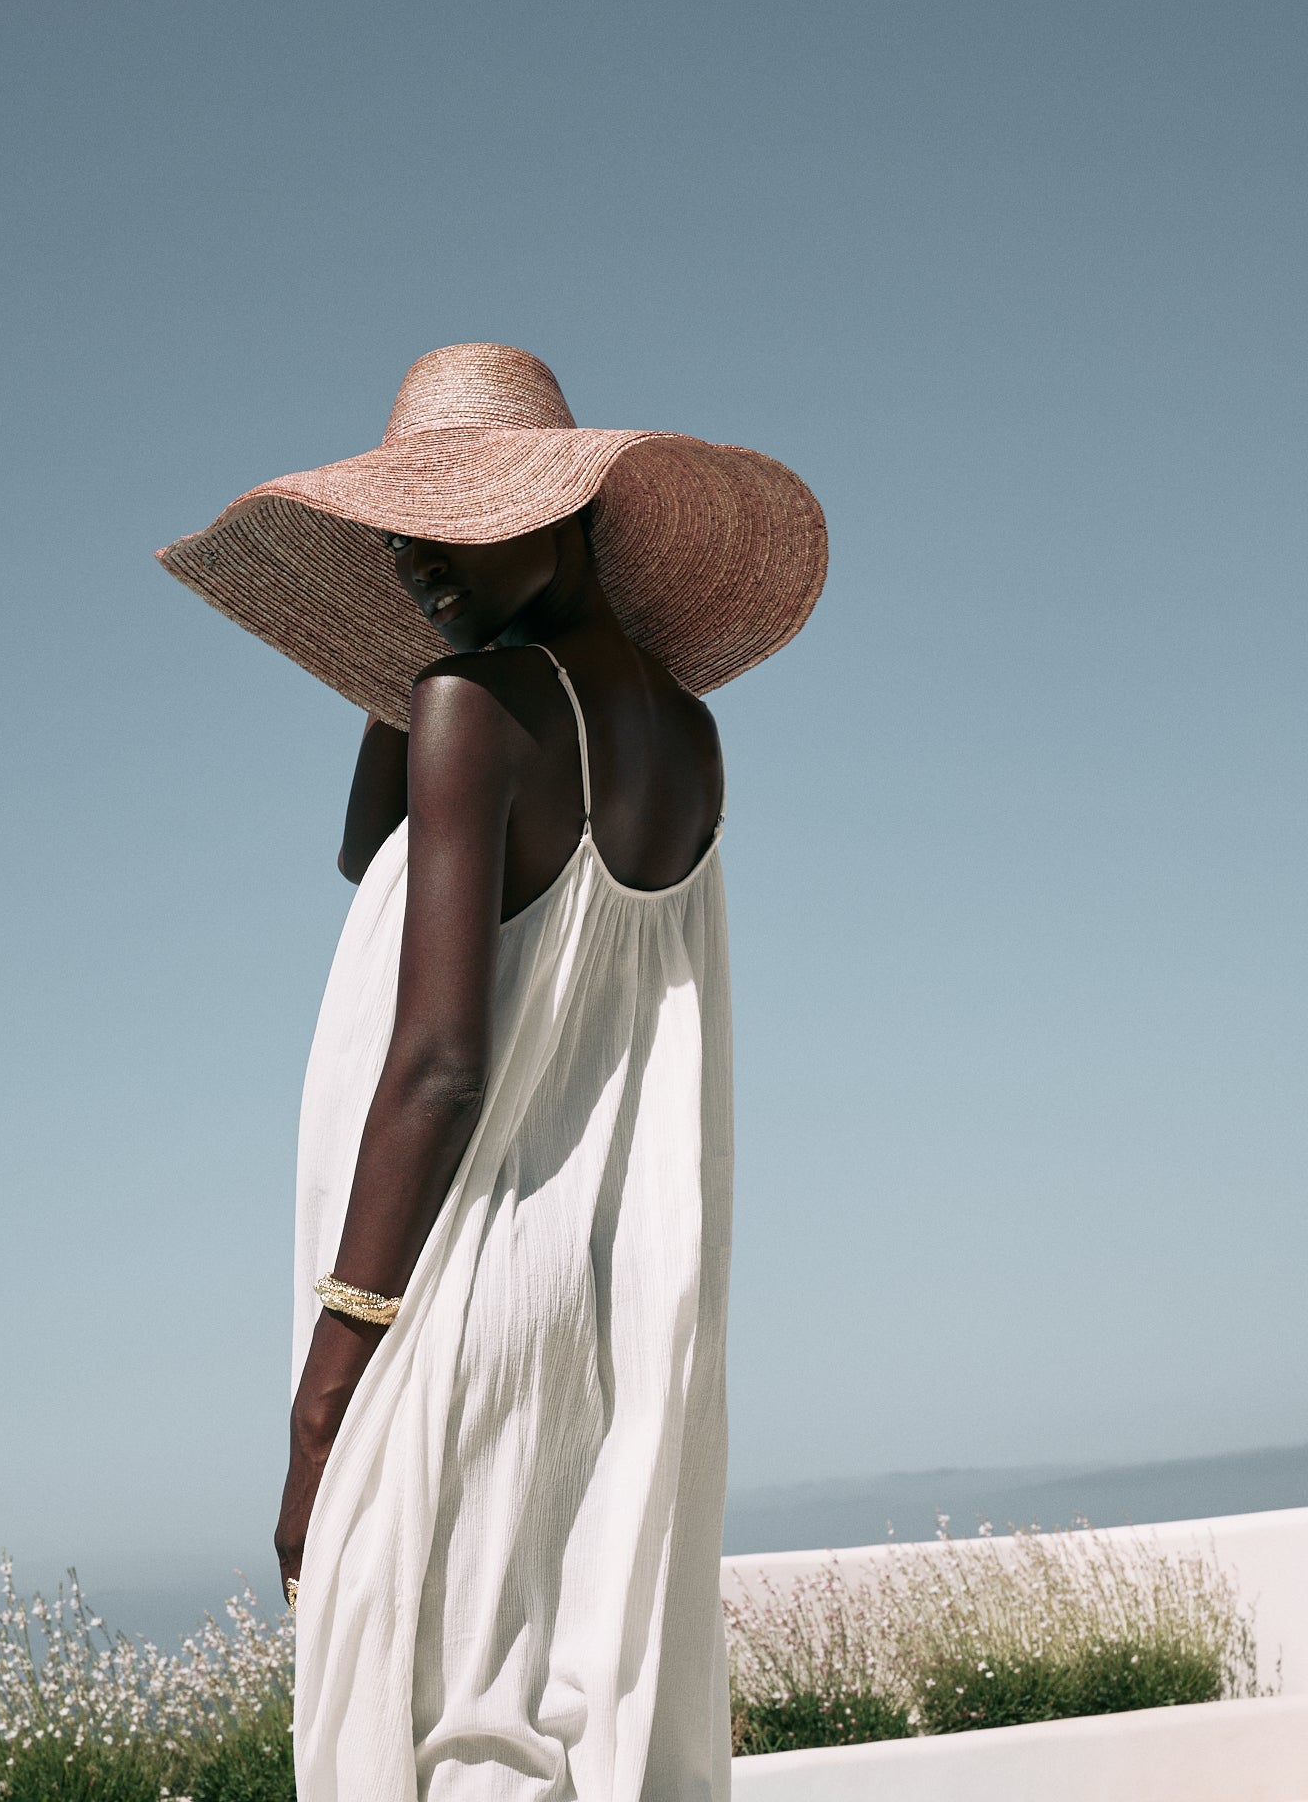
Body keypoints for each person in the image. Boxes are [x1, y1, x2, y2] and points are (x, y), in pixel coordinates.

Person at [156, 344, 827, 1802]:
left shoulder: (479, 712)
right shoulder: (688, 738)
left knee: (433, 1727)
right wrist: (410, 659)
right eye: (396, 528)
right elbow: (378, 863)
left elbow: (441, 1061)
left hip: (452, 1293)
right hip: (598, 1299)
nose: (411, 556)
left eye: (455, 511)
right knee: (557, 1730)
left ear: (567, 504)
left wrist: (329, 1384)